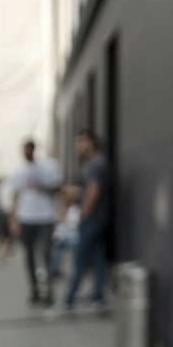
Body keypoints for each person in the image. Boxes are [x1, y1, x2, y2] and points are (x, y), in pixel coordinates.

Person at [8, 140, 63, 305]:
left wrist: (43, 187)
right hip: (26, 218)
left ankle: (49, 290)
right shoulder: (18, 171)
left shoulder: (48, 166)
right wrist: (13, 219)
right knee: (29, 256)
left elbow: (59, 188)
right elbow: (15, 195)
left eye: (28, 150)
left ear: (33, 150)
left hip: (45, 217)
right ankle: (34, 289)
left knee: (46, 253)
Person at [63, 129, 110, 311]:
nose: (78, 145)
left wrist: (84, 213)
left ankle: (68, 300)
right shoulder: (92, 164)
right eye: (77, 141)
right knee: (97, 258)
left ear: (92, 142)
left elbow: (94, 189)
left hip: (92, 218)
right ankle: (97, 297)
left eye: (82, 141)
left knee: (79, 258)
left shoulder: (96, 164)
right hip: (97, 218)